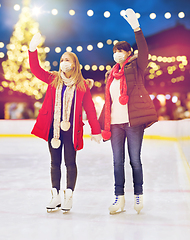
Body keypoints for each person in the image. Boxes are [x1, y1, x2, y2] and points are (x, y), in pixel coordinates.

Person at [28, 33, 102, 213]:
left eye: (67, 59)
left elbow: (90, 109)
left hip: (71, 130)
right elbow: (36, 70)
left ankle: (69, 195)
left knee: (70, 163)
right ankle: (55, 196)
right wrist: (32, 50)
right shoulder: (53, 79)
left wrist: (96, 130)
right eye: (62, 59)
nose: (63, 62)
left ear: (74, 64)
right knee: (54, 163)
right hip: (53, 130)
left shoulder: (82, 85)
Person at [99, 9, 158, 214]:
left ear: (128, 53)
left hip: (133, 124)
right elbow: (109, 102)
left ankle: (138, 194)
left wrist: (136, 28)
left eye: (121, 51)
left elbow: (144, 50)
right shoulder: (110, 74)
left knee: (135, 160)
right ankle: (119, 198)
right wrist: (99, 127)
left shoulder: (137, 67)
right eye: (115, 51)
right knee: (117, 162)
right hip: (115, 124)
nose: (117, 54)